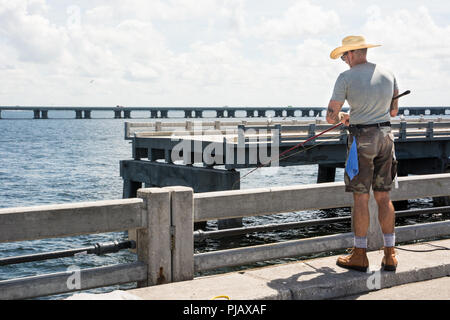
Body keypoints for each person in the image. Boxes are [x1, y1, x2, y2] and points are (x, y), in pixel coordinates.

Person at [326, 35, 399, 272]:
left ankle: (359, 254)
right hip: (386, 138)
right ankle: (390, 254)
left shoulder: (345, 77)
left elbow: (330, 116)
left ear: (354, 53)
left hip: (362, 141)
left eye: (345, 55)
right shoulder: (388, 74)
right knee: (383, 197)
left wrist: (343, 117)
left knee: (361, 198)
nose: (344, 60)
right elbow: (394, 111)